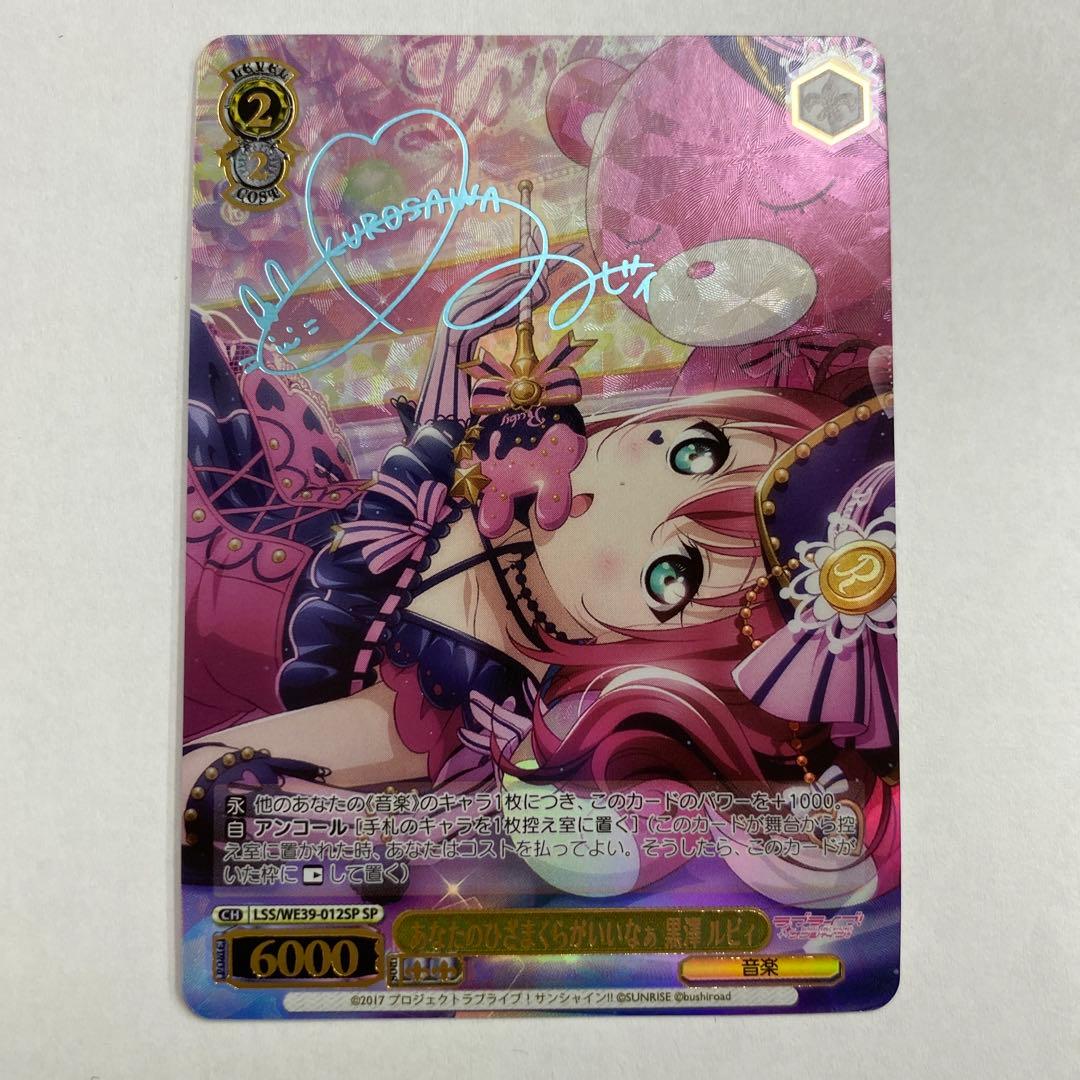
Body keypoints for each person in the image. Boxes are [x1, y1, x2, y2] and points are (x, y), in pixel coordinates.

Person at [182, 241, 899, 906]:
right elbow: (442, 465)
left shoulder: (463, 682)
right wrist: (458, 342)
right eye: (696, 453)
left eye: (670, 577)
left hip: (192, 602)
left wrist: (369, 830)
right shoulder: (518, 477)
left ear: (654, 660)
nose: (619, 496)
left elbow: (194, 780)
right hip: (258, 478)